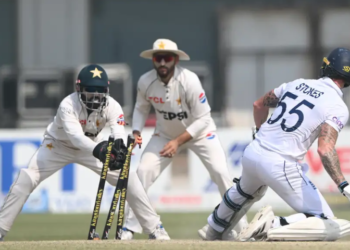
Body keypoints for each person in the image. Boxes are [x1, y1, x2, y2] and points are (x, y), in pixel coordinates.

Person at [0, 64, 170, 241]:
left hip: (92, 146)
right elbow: (75, 138)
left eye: (100, 91)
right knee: (26, 178)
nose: (95, 96)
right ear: (78, 89)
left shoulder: (113, 106)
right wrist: (101, 150)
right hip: (58, 146)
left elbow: (118, 133)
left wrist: (118, 150)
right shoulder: (67, 105)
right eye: (90, 90)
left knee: (128, 178)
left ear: (107, 90)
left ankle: (155, 229)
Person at [199, 48, 350, 242]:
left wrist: (260, 132)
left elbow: (258, 105)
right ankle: (271, 225)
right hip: (281, 163)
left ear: (326, 68)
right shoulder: (338, 106)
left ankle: (212, 228)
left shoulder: (298, 83)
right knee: (326, 221)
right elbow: (325, 148)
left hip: (253, 151)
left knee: (244, 191)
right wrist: (343, 184)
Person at [120, 38, 247, 240]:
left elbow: (204, 118)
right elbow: (140, 108)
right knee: (143, 172)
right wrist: (136, 131)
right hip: (165, 134)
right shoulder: (145, 81)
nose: (162, 63)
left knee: (220, 172)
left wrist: (178, 141)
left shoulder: (189, 80)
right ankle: (129, 228)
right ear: (153, 60)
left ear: (175, 60)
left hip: (201, 134)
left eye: (167, 58)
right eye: (158, 58)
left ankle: (242, 229)